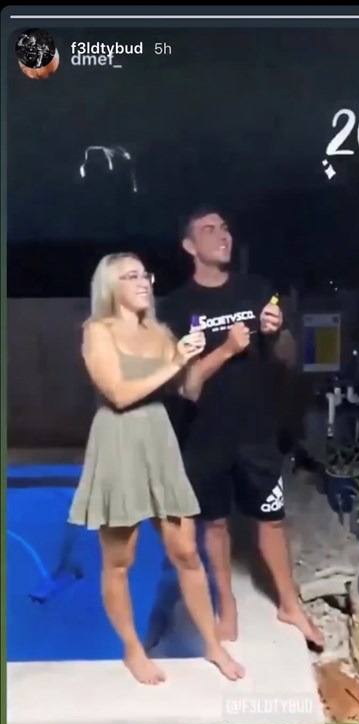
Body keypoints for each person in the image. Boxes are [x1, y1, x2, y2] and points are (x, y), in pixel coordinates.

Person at [68, 252, 245, 685]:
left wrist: (201, 357)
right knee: (120, 560)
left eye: (144, 274)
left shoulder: (162, 333)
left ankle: (212, 645)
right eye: (131, 276)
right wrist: (174, 362)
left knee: (186, 551)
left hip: (160, 441)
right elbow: (119, 394)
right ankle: (133, 648)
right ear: (111, 286)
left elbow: (189, 390)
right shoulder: (98, 331)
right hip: (119, 441)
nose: (143, 281)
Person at [158, 208, 324, 648]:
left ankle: (290, 604)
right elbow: (186, 387)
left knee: (272, 520)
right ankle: (227, 606)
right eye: (209, 230)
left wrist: (278, 332)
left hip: (257, 432)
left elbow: (288, 358)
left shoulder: (256, 290)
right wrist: (229, 349)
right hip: (203, 437)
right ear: (189, 246)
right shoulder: (174, 308)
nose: (222, 236)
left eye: (226, 228)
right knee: (214, 526)